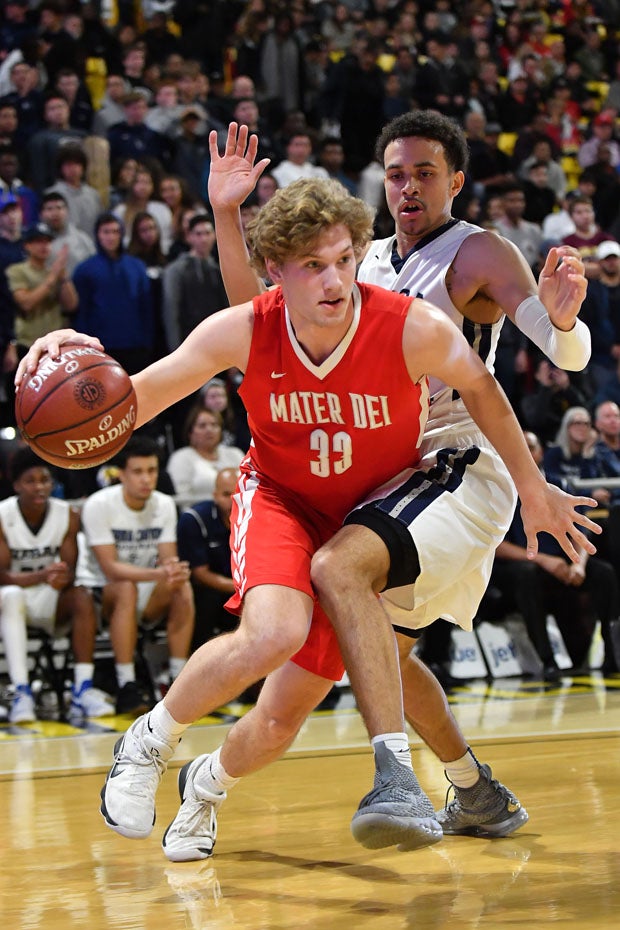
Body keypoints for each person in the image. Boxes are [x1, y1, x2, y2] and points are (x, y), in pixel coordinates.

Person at [18, 175, 598, 858]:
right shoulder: (242, 328)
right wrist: (61, 365)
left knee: (279, 720)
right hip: (281, 502)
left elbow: (485, 390)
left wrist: (532, 484)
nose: (335, 281)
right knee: (273, 632)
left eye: (346, 259)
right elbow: (124, 409)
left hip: (361, 514)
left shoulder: (411, 326)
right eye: (314, 266)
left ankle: (204, 790)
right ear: (276, 271)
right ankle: (147, 742)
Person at [75, 435, 195, 715]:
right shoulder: (99, 504)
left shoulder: (164, 504)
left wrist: (174, 571)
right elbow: (110, 568)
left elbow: (168, 559)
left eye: (152, 471)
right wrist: (160, 572)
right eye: (138, 472)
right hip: (102, 593)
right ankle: (126, 683)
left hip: (145, 585)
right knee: (126, 585)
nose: (146, 479)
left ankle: (177, 680)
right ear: (121, 475)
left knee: (181, 585)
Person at [0, 447, 113, 723]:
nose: (39, 487)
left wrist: (64, 577)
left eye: (45, 480)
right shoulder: (3, 516)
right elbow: (1, 576)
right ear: (16, 485)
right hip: (10, 601)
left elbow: (70, 571)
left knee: (81, 596)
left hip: (49, 598)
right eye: (31, 481)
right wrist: (41, 576)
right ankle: (21, 692)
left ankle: (82, 689)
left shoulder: (68, 515)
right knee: (12, 594)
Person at [72, 212, 154, 375]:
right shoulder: (85, 270)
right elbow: (82, 312)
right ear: (98, 235)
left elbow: (146, 306)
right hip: (101, 346)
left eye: (115, 232)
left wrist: (148, 340)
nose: (111, 237)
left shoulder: (136, 266)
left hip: (135, 344)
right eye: (106, 232)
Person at [176, 466, 239, 652]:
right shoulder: (194, 519)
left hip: (241, 587)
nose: (234, 500)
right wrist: (241, 589)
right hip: (208, 590)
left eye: (239, 493)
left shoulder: (258, 517)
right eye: (227, 494)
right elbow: (200, 574)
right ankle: (196, 659)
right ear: (215, 495)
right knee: (207, 598)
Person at [6, 222, 78, 357]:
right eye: (38, 241)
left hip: (55, 343)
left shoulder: (54, 272)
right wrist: (52, 278)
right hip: (27, 343)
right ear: (27, 245)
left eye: (47, 241)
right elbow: (26, 303)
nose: (44, 246)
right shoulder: (16, 270)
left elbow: (71, 305)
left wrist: (63, 277)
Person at [166, 406, 244, 501]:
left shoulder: (235, 454)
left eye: (214, 425)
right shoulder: (181, 458)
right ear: (190, 432)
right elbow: (181, 498)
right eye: (202, 426)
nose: (209, 430)